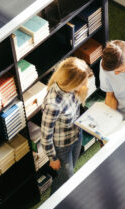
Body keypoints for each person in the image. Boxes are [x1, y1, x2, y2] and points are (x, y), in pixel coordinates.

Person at [41, 57, 93, 194]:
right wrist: (52, 158)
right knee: (66, 178)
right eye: (81, 82)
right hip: (62, 147)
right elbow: (45, 136)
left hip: (76, 135)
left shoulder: (71, 90)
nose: (84, 85)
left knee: (70, 170)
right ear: (71, 82)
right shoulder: (53, 105)